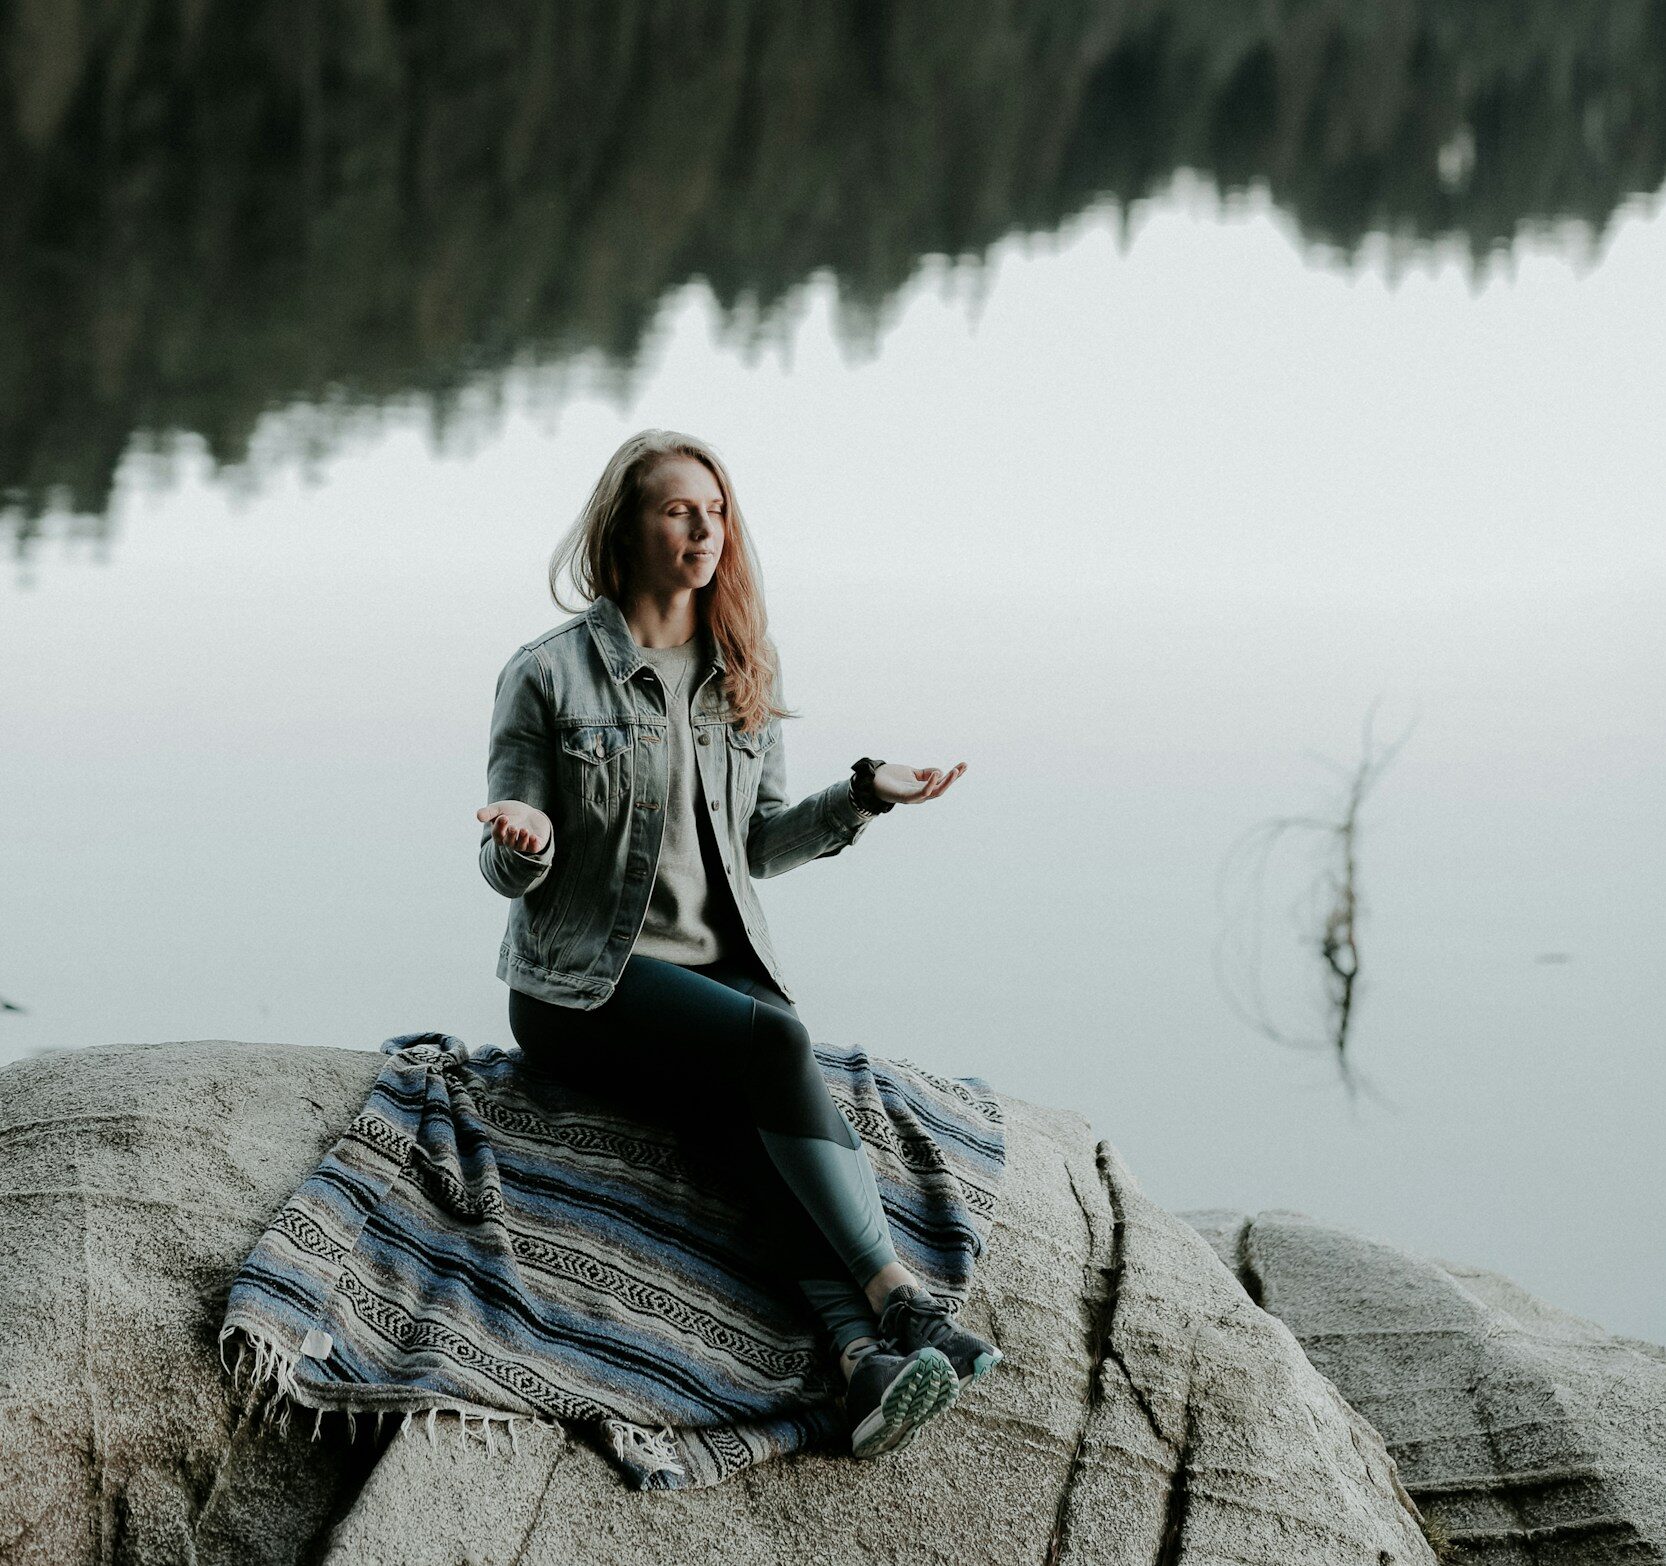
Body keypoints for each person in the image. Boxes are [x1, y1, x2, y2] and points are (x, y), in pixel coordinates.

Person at [474, 429, 1001, 1460]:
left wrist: (859, 798)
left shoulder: (738, 670)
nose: (704, 529)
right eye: (679, 510)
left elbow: (758, 846)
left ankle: (862, 1369)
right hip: (581, 988)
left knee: (741, 1137)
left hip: (708, 980)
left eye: (715, 511)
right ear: (624, 528)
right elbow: (504, 856)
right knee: (775, 1046)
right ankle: (901, 1300)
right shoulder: (546, 675)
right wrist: (524, 846)